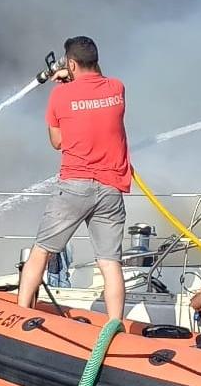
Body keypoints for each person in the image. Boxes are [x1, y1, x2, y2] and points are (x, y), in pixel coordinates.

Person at [16, 36, 131, 321]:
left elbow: (58, 142)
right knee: (109, 264)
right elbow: (94, 100)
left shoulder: (60, 96)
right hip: (111, 189)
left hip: (74, 186)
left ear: (69, 63)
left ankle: (19, 318)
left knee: (40, 252)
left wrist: (66, 84)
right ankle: (114, 325)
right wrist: (73, 79)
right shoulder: (117, 88)